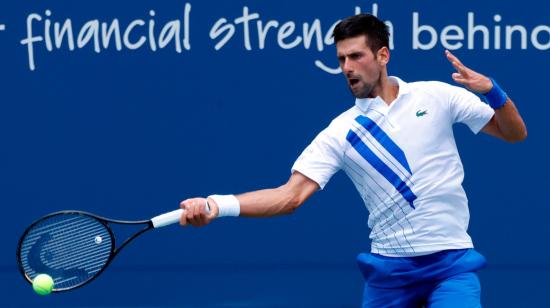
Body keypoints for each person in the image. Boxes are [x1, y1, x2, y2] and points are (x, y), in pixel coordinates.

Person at [177, 13, 527, 307]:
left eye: (356, 56)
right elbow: (289, 196)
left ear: (383, 56)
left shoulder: (437, 96)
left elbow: (514, 133)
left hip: (451, 265)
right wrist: (215, 205)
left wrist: (493, 92)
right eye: (342, 59)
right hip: (390, 276)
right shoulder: (340, 133)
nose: (347, 67)